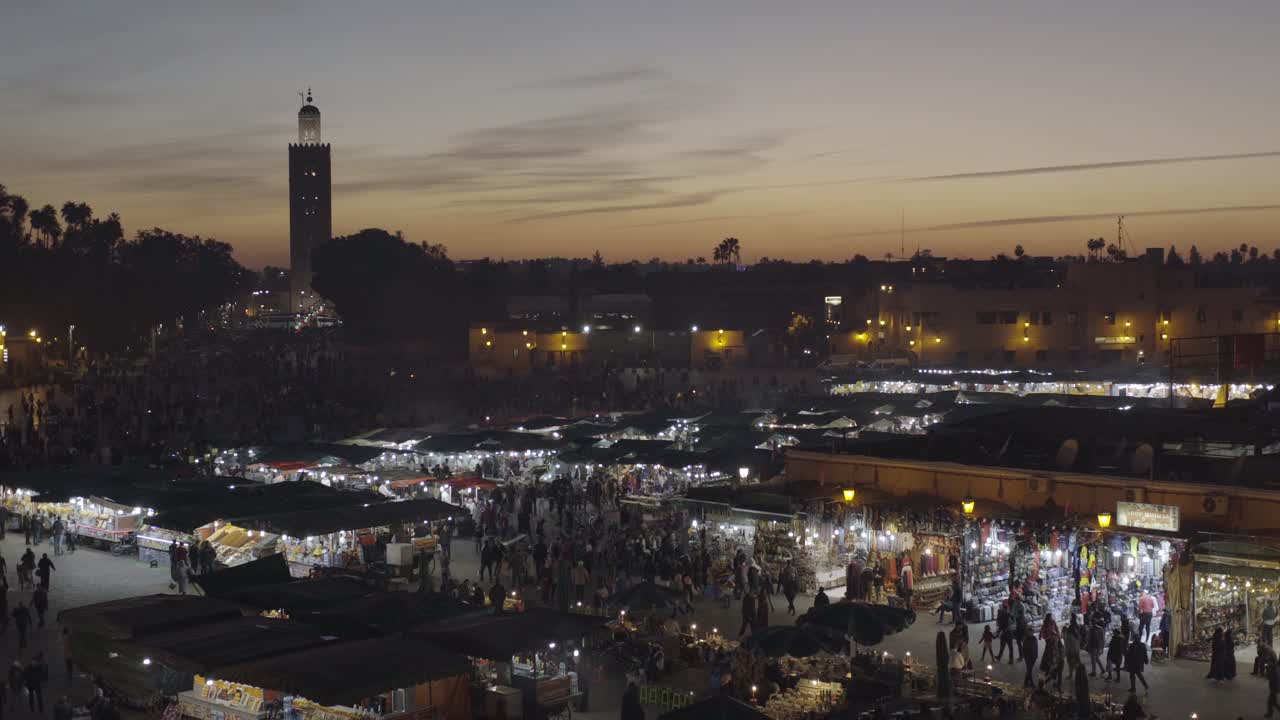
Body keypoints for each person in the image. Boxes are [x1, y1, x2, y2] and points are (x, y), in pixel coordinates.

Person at [1268, 651, 1280, 719]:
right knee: (1274, 703)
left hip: (1274, 689)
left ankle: (1270, 713)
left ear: (1272, 662)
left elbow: (1277, 681)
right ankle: (1270, 713)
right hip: (1273, 689)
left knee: (1271, 702)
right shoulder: (1274, 668)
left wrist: (1275, 691)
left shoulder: (1275, 671)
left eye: (1269, 662)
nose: (1268, 663)